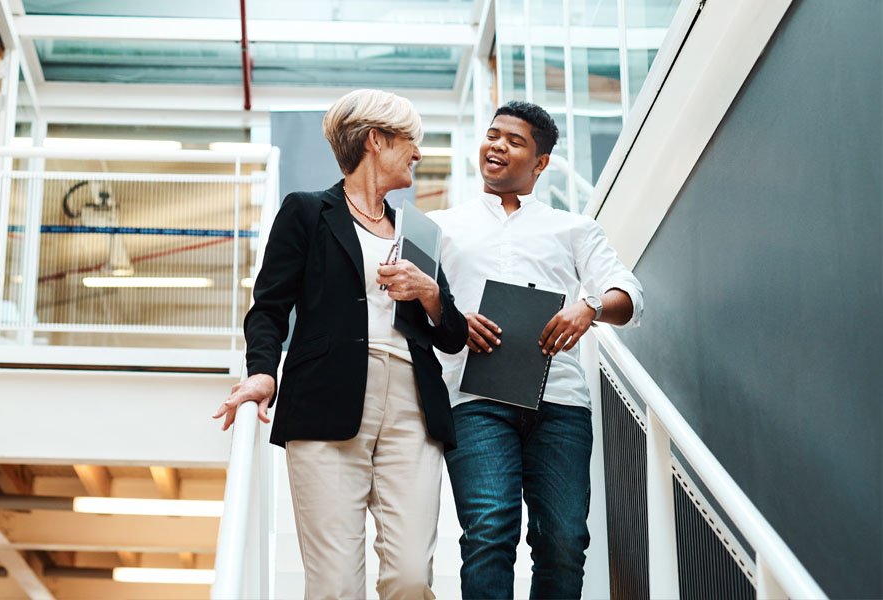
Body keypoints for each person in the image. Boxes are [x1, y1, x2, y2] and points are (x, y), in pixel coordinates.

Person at [213, 88, 468, 600]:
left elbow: (453, 336)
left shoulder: (418, 231)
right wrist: (264, 372)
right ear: (376, 139)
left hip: (412, 406)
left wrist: (430, 293)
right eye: (410, 141)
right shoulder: (307, 212)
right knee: (334, 585)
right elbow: (269, 306)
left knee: (412, 576)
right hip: (326, 396)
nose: (418, 153)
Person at [427, 100, 643, 599]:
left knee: (564, 541)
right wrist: (453, 319)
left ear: (541, 163)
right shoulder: (439, 225)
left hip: (560, 404)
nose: (497, 145)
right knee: (487, 534)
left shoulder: (574, 229)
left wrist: (587, 307)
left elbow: (627, 295)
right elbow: (412, 309)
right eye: (493, 134)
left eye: (515, 141)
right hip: (473, 401)